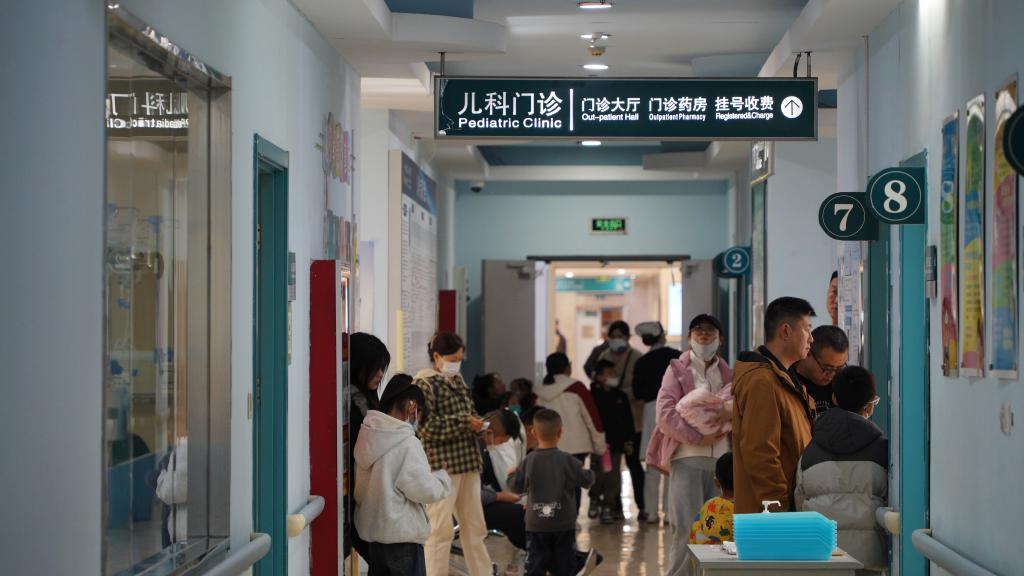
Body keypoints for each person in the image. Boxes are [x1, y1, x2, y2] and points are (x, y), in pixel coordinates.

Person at [646, 314, 732, 576]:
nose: (704, 336)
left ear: (720, 339)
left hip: (721, 462)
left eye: (709, 332)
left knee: (718, 527)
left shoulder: (728, 372)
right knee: (685, 527)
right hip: (687, 457)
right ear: (689, 338)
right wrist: (697, 438)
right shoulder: (676, 370)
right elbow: (664, 414)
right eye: (698, 332)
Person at [354, 374, 452, 576]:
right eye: (420, 412)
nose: (418, 419)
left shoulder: (368, 435)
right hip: (402, 540)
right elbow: (424, 490)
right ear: (411, 406)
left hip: (375, 540)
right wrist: (442, 477)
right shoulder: (407, 442)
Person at [414, 332, 493, 576]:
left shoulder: (458, 380)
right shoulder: (424, 384)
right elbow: (426, 428)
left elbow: (469, 411)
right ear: (437, 356)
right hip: (443, 467)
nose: (456, 363)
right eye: (452, 359)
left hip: (468, 463)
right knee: (439, 530)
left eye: (459, 359)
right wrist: (464, 423)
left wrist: (478, 424)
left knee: (475, 528)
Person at [795, 366, 887, 573]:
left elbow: (800, 500)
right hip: (868, 557)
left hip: (821, 555)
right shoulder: (883, 450)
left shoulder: (810, 451)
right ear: (870, 406)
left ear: (834, 398)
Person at [732, 297, 816, 514]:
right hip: (771, 515)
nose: (811, 338)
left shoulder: (784, 379)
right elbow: (761, 453)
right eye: (807, 329)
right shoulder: (762, 382)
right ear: (786, 331)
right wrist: (779, 510)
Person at [509, 409, 598, 576]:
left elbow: (515, 487)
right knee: (565, 566)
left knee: (535, 566)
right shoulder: (568, 460)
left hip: (536, 524)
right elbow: (587, 480)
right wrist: (588, 471)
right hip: (563, 524)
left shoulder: (529, 460)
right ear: (560, 432)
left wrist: (512, 475)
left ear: (533, 433)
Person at [347, 332, 392, 559]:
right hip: (358, 495)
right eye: (375, 367)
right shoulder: (352, 403)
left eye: (382, 368)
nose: (380, 374)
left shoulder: (367, 400)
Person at [633, 321, 681, 525]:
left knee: (652, 464)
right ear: (662, 336)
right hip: (674, 409)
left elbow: (637, 392)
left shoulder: (641, 362)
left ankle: (651, 513)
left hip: (650, 410)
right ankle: (670, 514)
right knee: (672, 464)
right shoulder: (676, 357)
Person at [597, 320, 646, 516]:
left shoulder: (637, 357)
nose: (617, 339)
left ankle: (642, 506)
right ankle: (614, 505)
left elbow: (641, 388)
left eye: (620, 336)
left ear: (628, 338)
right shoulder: (604, 356)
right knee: (611, 466)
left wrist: (623, 393)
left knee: (634, 464)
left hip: (634, 420)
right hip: (611, 423)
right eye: (613, 336)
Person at [535, 353, 605, 465]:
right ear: (567, 367)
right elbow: (592, 418)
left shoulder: (538, 392)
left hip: (548, 448)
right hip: (577, 448)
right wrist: (600, 447)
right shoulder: (577, 388)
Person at [588, 359, 636, 523]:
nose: (614, 376)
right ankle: (595, 499)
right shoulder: (591, 396)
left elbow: (628, 420)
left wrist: (629, 441)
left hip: (616, 444)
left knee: (613, 476)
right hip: (597, 444)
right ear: (599, 376)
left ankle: (608, 505)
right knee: (597, 474)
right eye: (609, 373)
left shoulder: (620, 396)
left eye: (614, 373)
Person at [791, 325, 849, 417]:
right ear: (808, 353)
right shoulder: (786, 381)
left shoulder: (843, 386)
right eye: (828, 368)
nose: (832, 375)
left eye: (839, 368)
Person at [688, 452, 735, 546]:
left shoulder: (708, 506)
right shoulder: (748, 509)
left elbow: (694, 535)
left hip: (704, 554)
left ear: (716, 482)